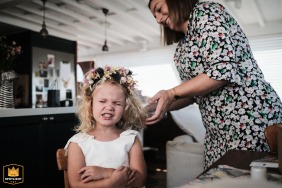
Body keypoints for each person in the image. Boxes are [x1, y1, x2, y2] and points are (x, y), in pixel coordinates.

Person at [146, 0, 282, 169]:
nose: (158, 19)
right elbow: (193, 94)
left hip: (249, 119)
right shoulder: (181, 49)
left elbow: (222, 70)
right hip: (216, 134)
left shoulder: (206, 12)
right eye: (154, 16)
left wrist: (171, 93)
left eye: (159, 9)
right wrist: (160, 106)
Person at [65, 65, 147, 187]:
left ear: (125, 107)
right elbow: (76, 185)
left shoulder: (131, 139)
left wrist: (106, 173)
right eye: (102, 101)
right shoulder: (78, 143)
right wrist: (113, 182)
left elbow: (140, 180)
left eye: (117, 103)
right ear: (90, 104)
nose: (109, 107)